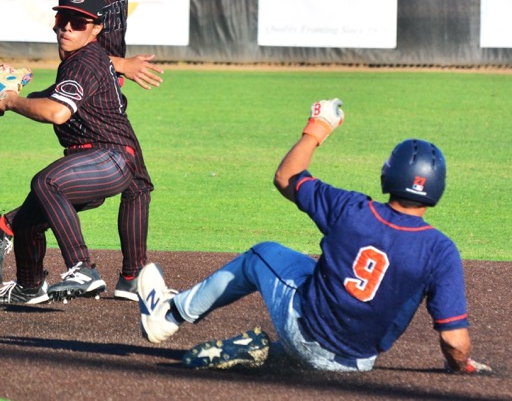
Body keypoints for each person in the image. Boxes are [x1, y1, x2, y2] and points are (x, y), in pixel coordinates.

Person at [137, 98, 493, 374]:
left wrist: (318, 126)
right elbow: (454, 341)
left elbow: (286, 176)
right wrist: (459, 365)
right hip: (358, 364)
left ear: (389, 174)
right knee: (314, 275)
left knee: (262, 254)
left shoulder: (353, 209)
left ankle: (168, 315)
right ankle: (269, 357)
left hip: (306, 334)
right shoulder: (441, 250)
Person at [0, 0, 161, 301]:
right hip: (90, 89)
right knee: (64, 186)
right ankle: (43, 271)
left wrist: (12, 100)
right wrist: (13, 98)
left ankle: (9, 230)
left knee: (128, 186)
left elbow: (84, 61)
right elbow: (83, 53)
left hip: (98, 93)